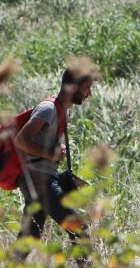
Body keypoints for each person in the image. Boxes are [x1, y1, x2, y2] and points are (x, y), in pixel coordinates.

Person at [13, 66, 95, 252]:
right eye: (86, 87)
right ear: (73, 87)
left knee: (30, 235)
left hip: (41, 176)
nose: (89, 93)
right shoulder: (49, 109)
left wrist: (55, 151)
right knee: (79, 229)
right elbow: (21, 140)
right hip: (38, 178)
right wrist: (51, 154)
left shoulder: (59, 111)